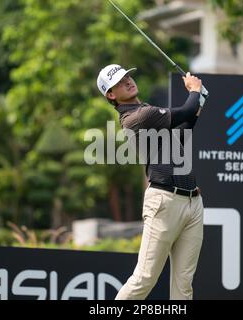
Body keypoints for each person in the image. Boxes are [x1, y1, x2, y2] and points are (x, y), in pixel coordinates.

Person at [96, 64, 205, 300]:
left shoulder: (147, 110)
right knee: (144, 278)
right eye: (119, 81)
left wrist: (198, 103)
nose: (128, 81)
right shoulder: (137, 117)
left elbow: (182, 138)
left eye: (127, 75)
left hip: (192, 202)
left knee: (184, 286)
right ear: (111, 95)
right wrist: (195, 92)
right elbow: (186, 110)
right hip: (164, 202)